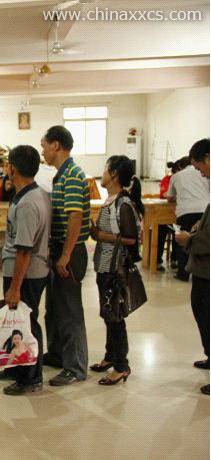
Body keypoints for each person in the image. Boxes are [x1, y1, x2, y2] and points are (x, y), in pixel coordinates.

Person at [0, 145, 51, 395]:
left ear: (12, 168)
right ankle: (15, 368)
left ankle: (30, 377)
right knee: (16, 321)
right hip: (22, 271)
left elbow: (24, 250)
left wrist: (15, 288)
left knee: (26, 323)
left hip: (27, 273)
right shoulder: (32, 194)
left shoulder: (28, 203)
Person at [41, 125, 91, 386]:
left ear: (56, 145)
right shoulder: (61, 175)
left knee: (70, 311)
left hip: (70, 250)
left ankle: (76, 367)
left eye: (44, 146)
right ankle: (58, 354)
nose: (43, 151)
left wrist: (66, 255)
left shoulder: (71, 175)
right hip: (60, 248)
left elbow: (75, 217)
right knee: (54, 307)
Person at [89, 156, 143, 386]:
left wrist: (101, 235)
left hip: (115, 268)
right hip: (105, 265)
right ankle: (111, 355)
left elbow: (131, 239)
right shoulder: (111, 200)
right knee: (108, 313)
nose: (102, 173)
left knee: (115, 315)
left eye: (105, 169)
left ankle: (121, 365)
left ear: (114, 174)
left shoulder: (123, 204)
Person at [175, 138, 210, 395]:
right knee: (201, 309)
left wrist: (189, 239)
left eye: (200, 168)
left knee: (206, 311)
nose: (201, 174)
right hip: (202, 268)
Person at [167, 154, 209, 281]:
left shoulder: (176, 176)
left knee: (182, 241)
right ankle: (198, 270)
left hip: (185, 212)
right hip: (204, 211)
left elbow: (170, 197)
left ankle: (183, 273)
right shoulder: (204, 173)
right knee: (200, 240)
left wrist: (175, 206)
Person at [156, 161, 180, 271]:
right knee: (161, 231)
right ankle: (157, 261)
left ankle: (175, 259)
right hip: (164, 215)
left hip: (177, 216)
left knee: (178, 232)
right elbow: (165, 194)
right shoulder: (166, 179)